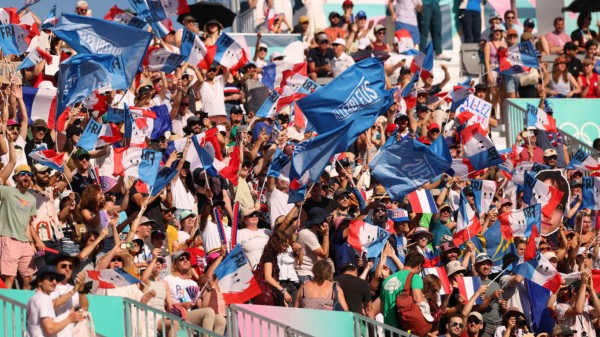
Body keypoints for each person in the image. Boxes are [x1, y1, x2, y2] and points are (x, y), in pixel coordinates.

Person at [0, 165, 40, 289]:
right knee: (9, 277)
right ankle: (3, 307)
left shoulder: (32, 199)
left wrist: (32, 242)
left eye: (29, 174)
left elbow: (27, 224)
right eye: (23, 173)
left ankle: (25, 306)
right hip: (9, 239)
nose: (26, 176)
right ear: (16, 177)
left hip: (24, 243)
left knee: (29, 278)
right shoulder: (7, 191)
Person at [26, 266, 85, 337]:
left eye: (56, 279)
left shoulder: (33, 298)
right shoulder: (43, 298)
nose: (54, 282)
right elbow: (50, 329)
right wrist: (70, 319)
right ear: (40, 281)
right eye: (51, 279)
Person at [380, 251, 430, 328]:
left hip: (389, 328)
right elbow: (418, 299)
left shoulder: (387, 280)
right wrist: (428, 318)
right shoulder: (415, 277)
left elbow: (382, 307)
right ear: (419, 266)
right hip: (405, 327)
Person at [49, 254, 88, 337]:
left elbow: (85, 308)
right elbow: (51, 304)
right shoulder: (48, 286)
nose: (68, 269)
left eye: (70, 267)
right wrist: (73, 291)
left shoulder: (73, 288)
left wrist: (81, 289)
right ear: (55, 269)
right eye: (64, 266)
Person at [296, 207, 331, 283]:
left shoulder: (312, 232)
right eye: (324, 221)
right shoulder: (307, 234)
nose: (326, 223)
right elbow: (324, 254)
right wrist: (326, 234)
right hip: (304, 273)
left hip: (310, 272)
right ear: (318, 222)